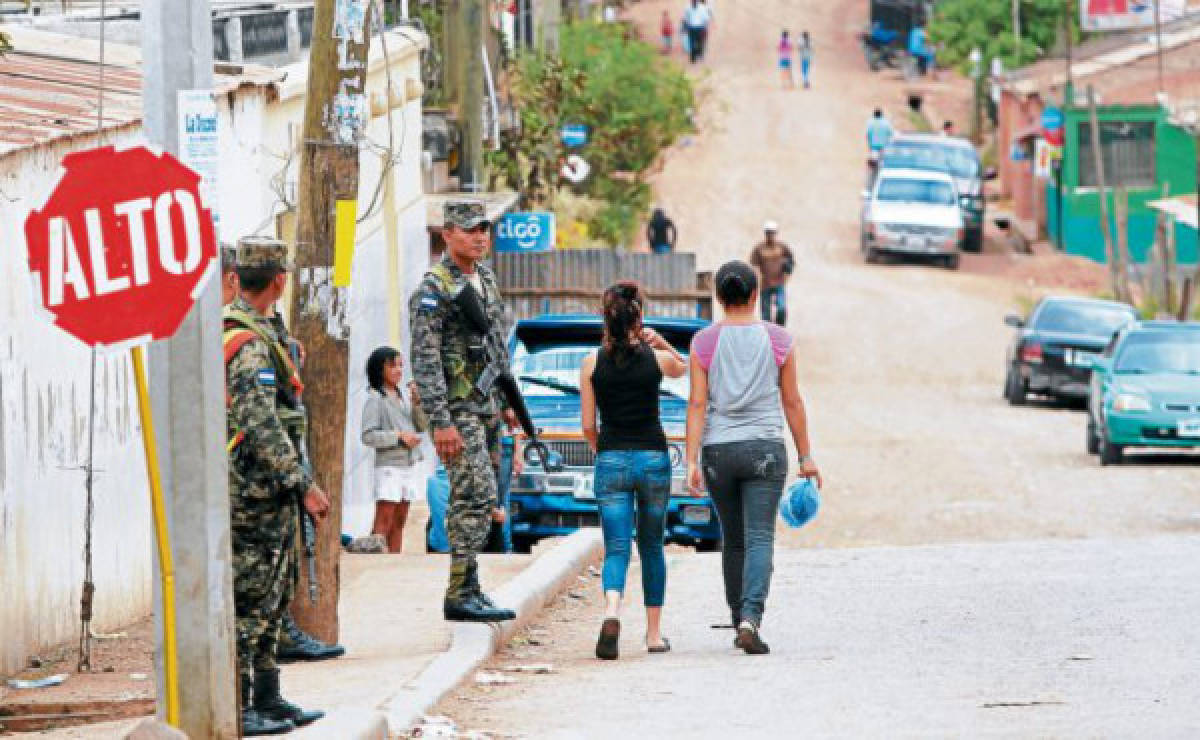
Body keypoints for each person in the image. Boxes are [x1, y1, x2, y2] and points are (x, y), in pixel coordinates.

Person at [685, 260, 822, 656]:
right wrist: (807, 456)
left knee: (734, 540)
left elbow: (697, 403)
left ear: (718, 297)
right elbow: (792, 401)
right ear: (756, 295)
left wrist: (691, 459)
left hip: (718, 452)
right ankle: (750, 619)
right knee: (760, 537)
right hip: (764, 449)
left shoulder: (703, 343)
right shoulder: (779, 340)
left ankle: (736, 618)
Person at [223, 237, 329, 735]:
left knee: (274, 596)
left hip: (270, 493)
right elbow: (258, 418)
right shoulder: (245, 342)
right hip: (254, 494)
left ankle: (268, 697)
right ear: (279, 280)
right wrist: (301, 482)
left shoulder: (264, 332)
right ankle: (242, 705)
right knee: (251, 600)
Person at [411, 200, 520, 623]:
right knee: (474, 494)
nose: (479, 237)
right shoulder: (434, 289)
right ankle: (458, 589)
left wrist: (507, 402)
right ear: (447, 235)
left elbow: (495, 345)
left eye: (484, 229)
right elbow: (425, 358)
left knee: (479, 495)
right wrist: (440, 421)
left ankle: (470, 585)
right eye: (470, 229)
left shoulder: (486, 279)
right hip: (457, 409)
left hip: (486, 405)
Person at [580, 281, 687, 660]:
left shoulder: (591, 362)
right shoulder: (654, 360)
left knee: (617, 547)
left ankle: (611, 611)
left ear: (605, 319)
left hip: (611, 459)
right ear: (639, 317)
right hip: (653, 460)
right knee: (652, 546)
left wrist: (603, 450)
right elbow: (682, 368)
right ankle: (654, 635)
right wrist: (661, 343)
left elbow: (588, 425)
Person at [361, 347, 429, 554]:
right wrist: (398, 436)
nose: (398, 370)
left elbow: (422, 426)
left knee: (400, 521)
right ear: (378, 369)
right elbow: (368, 436)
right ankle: (374, 562)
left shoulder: (403, 398)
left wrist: (418, 404)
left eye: (400, 365)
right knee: (384, 519)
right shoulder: (375, 399)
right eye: (392, 365)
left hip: (408, 465)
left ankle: (393, 561)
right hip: (389, 467)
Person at [749, 221, 794, 326]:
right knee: (766, 315)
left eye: (772, 232)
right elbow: (754, 265)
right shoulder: (759, 248)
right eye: (768, 232)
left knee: (782, 308)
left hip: (779, 283)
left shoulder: (782, 247)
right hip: (765, 284)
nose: (770, 235)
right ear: (765, 234)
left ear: (776, 233)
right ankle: (769, 335)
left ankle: (780, 329)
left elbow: (791, 261)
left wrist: (787, 273)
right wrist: (757, 279)